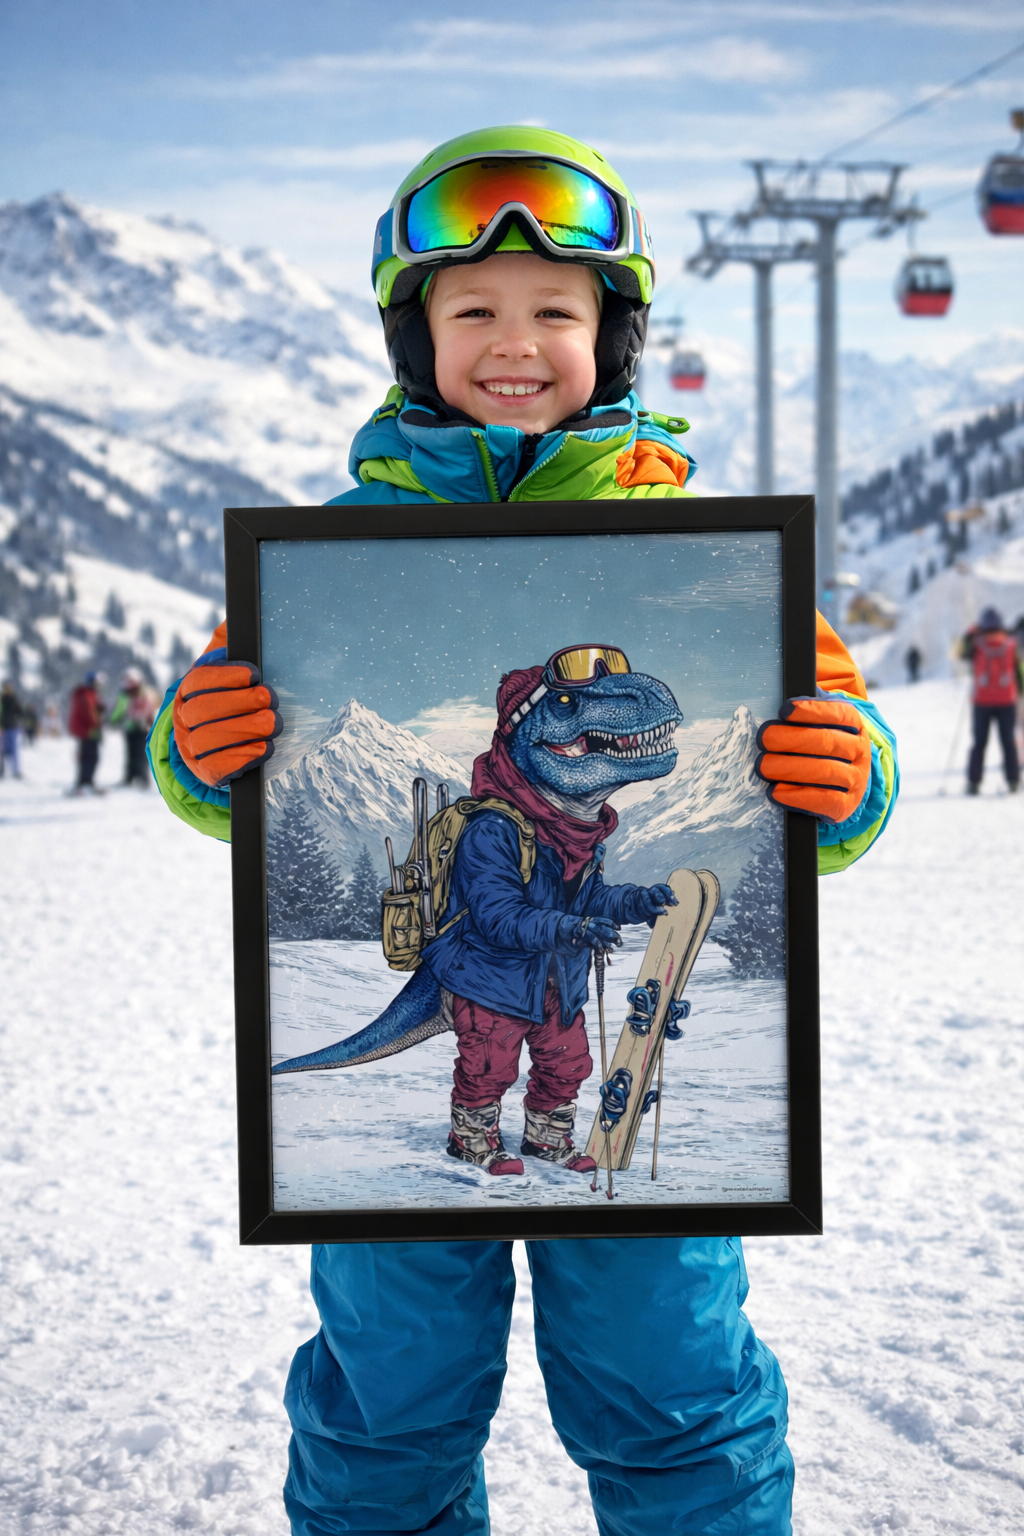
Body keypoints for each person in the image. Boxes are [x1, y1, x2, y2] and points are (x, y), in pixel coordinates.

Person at [147, 129, 900, 1536]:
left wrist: (848, 773)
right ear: (411, 331)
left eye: (555, 309)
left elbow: (842, 769)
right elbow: (214, 766)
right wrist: (199, 752)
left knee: (671, 1378)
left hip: (580, 1028)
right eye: (471, 308)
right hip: (495, 977)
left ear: (610, 337)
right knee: (394, 1391)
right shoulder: (327, 552)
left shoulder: (699, 542)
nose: (514, 342)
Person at [959, 606, 1021, 794]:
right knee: (1008, 742)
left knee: (979, 743)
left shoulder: (977, 644)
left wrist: (970, 632)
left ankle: (974, 782)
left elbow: (961, 654)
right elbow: (1017, 671)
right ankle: (1013, 781)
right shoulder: (1011, 644)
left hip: (982, 701)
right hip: (1007, 701)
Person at [109, 669, 156, 787]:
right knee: (137, 753)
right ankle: (137, 777)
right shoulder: (144, 693)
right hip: (138, 728)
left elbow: (119, 710)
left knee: (136, 753)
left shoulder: (126, 695)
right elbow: (150, 710)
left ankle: (137, 778)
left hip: (136, 728)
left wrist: (114, 720)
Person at [67, 671, 105, 794]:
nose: (98, 685)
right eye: (96, 683)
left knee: (90, 757)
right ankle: (84, 783)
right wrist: (96, 724)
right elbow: (88, 714)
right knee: (89, 758)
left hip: (88, 731)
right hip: (87, 731)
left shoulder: (90, 694)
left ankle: (87, 782)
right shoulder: (85, 695)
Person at [1, 680, 24, 778]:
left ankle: (15, 771)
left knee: (13, 750)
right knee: (2, 750)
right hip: (2, 728)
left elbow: (21, 712)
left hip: (13, 727)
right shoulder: (1, 699)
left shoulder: (14, 699)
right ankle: (2, 771)